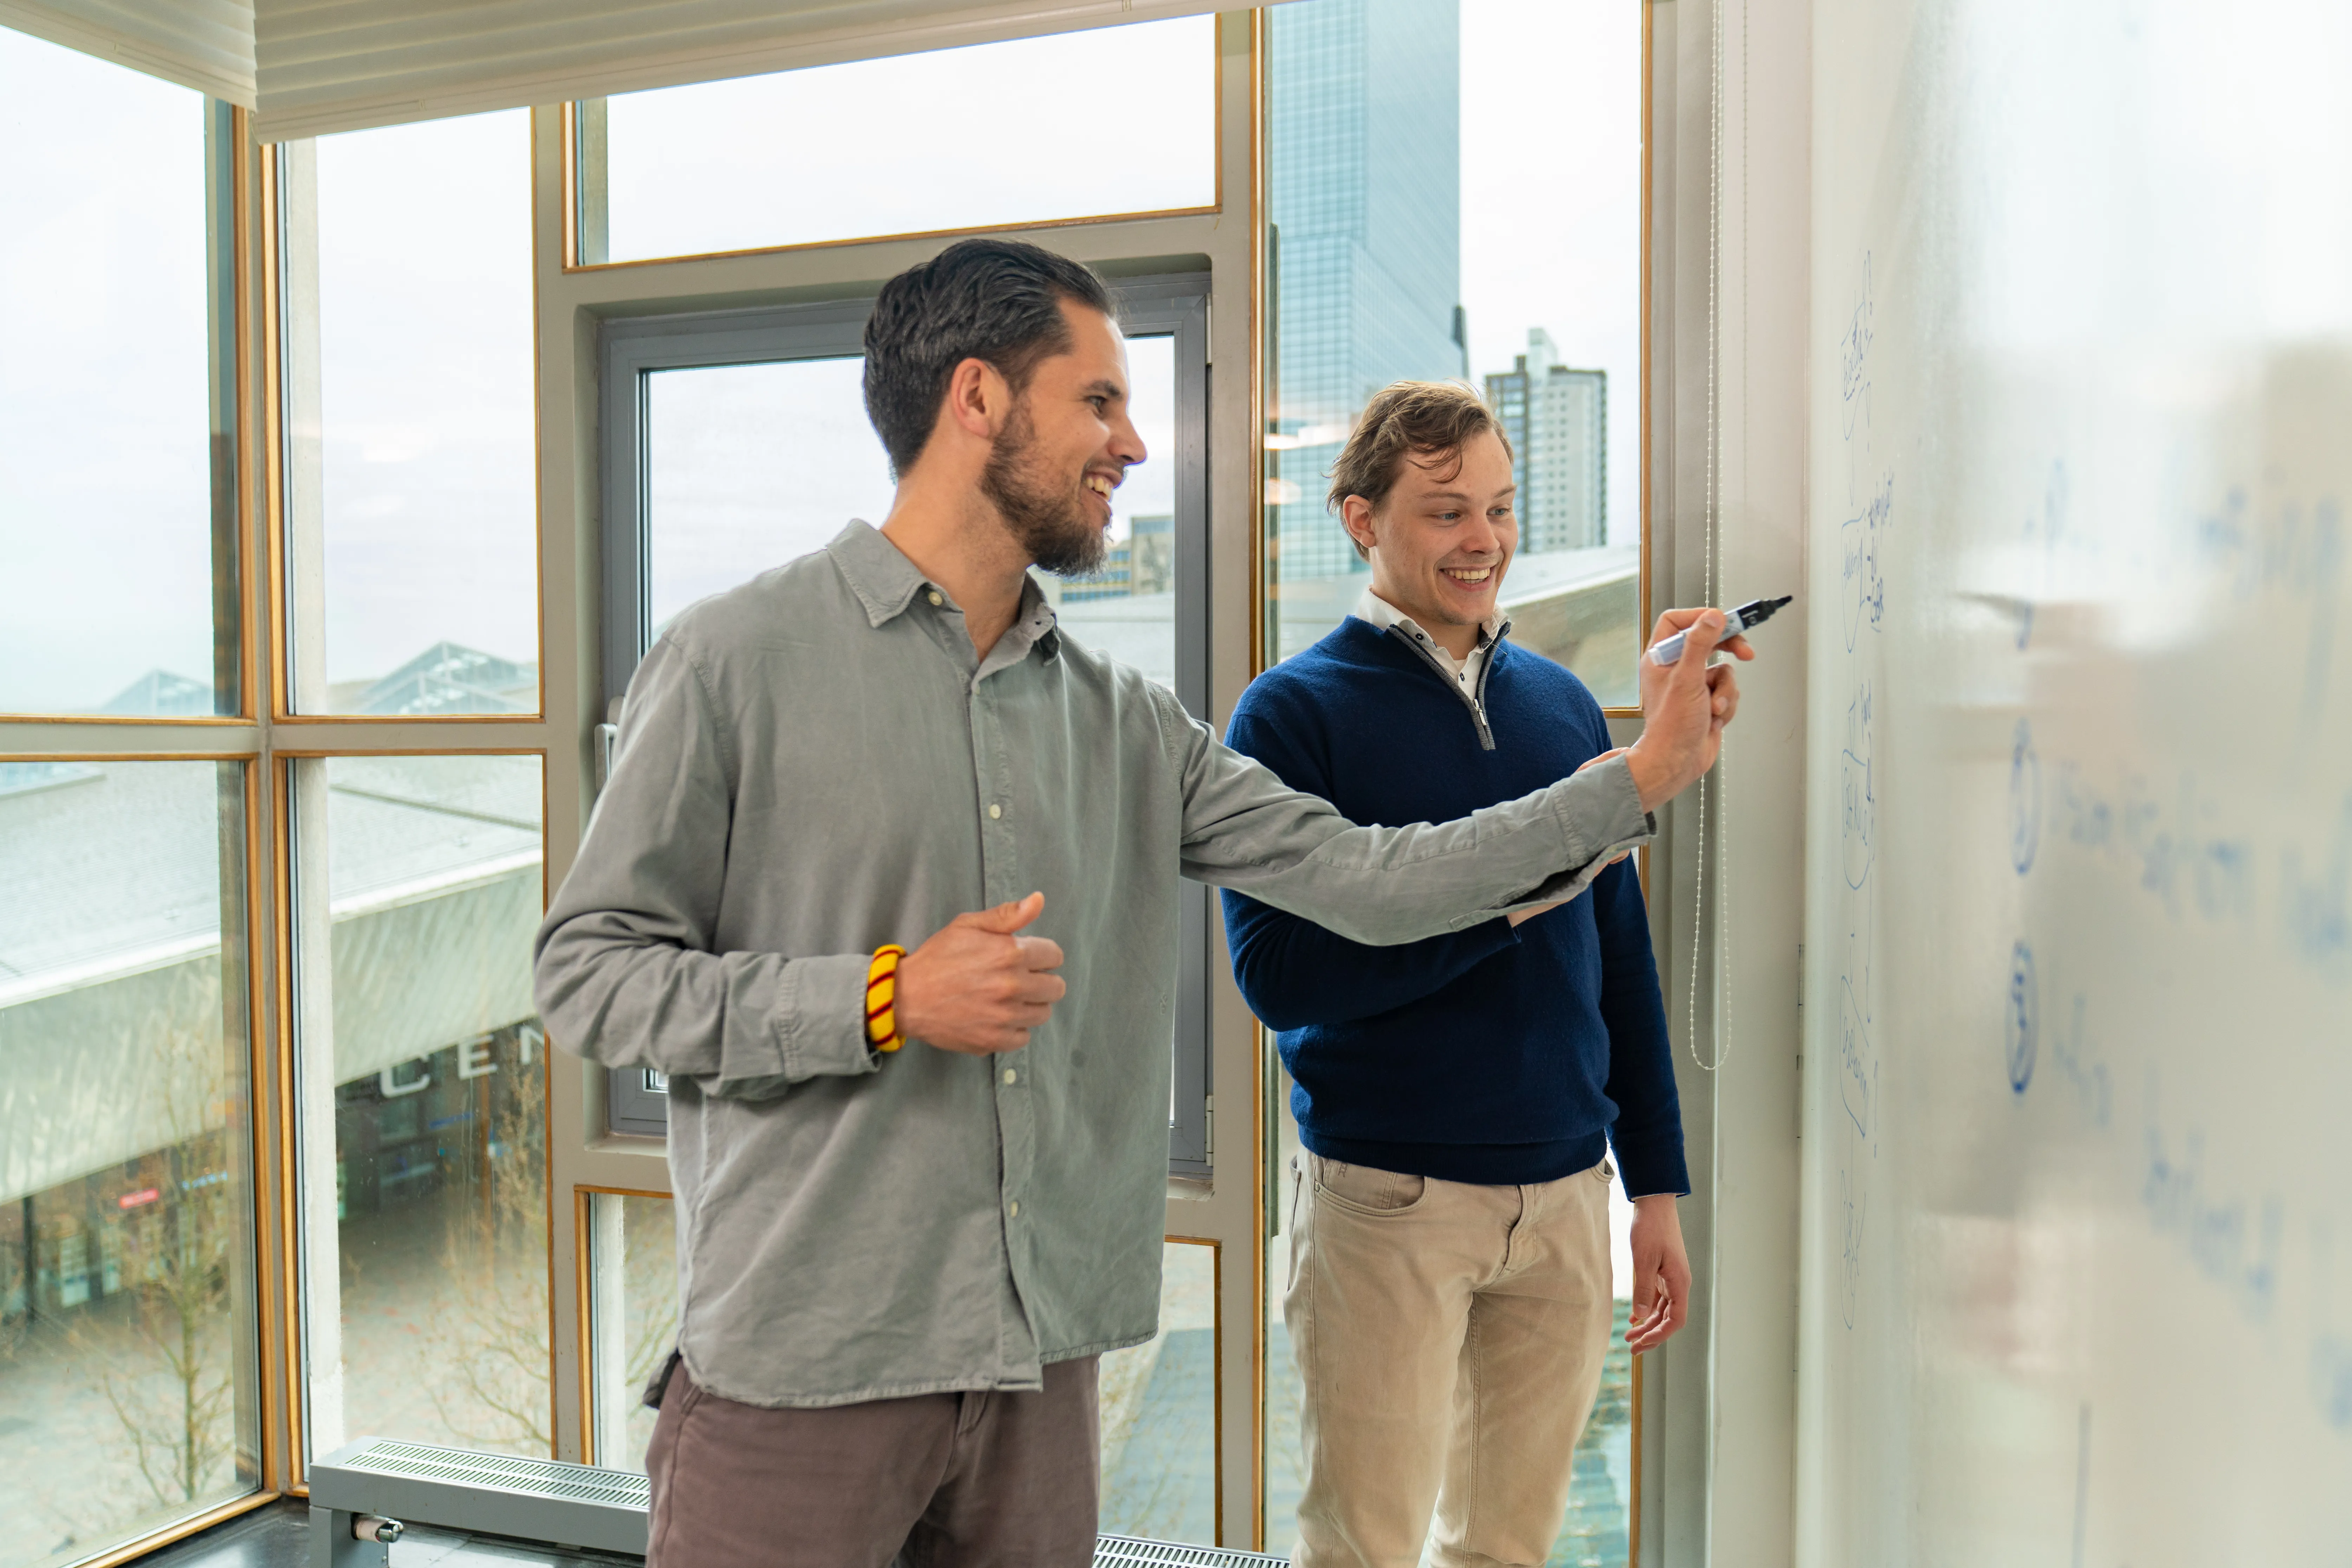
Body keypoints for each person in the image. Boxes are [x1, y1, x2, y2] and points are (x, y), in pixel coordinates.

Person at [532, 238, 1744, 1568]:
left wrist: (1636, 778)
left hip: (1042, 1372)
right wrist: (883, 996)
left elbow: (1372, 883)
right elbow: (588, 974)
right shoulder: (734, 658)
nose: (1135, 445)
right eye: (1100, 402)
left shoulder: (1128, 724)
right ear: (979, 398)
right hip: (804, 1367)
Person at [1223, 381, 1732, 1568]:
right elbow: (1284, 975)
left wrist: (1650, 1188)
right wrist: (1511, 892)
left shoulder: (1561, 708)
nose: (1483, 541)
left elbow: (1617, 963)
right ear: (1361, 518)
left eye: (1500, 508)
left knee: (1508, 1550)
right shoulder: (1290, 716)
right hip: (1386, 1206)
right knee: (1363, 1546)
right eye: (1446, 511)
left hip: (1563, 1202)